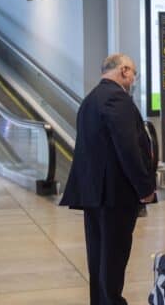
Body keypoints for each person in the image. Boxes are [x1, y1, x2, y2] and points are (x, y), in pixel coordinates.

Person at [60, 53, 156, 305]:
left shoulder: (90, 100)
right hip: (116, 193)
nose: (134, 78)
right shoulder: (116, 99)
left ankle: (101, 301)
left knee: (98, 254)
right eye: (133, 72)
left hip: (96, 193)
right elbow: (128, 148)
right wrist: (145, 187)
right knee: (114, 256)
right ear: (123, 70)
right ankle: (112, 301)